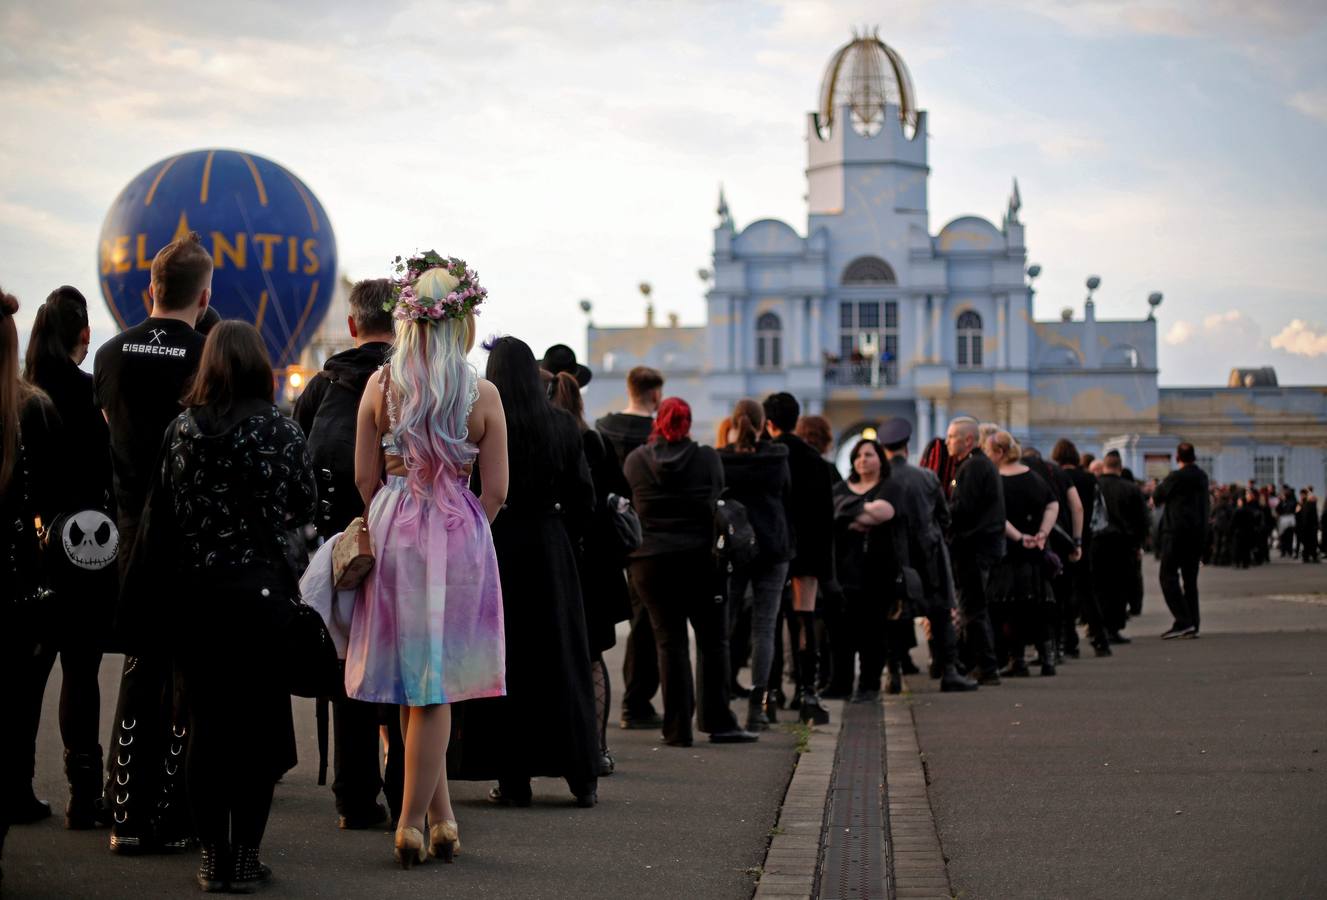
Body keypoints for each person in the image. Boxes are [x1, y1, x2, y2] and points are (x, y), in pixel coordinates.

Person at [125, 321, 316, 890]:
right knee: (258, 733)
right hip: (262, 599)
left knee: (205, 730)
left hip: (197, 600)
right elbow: (305, 508)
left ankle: (211, 857)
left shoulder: (181, 431)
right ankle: (244, 856)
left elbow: (163, 515)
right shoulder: (280, 430)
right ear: (260, 365)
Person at [343, 255, 508, 866]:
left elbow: (362, 475)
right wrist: (467, 532)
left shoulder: (380, 385)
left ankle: (441, 819)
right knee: (434, 683)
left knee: (416, 681)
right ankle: (412, 822)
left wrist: (388, 514)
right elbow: (497, 490)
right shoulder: (482, 393)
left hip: (394, 527)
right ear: (461, 322)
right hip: (458, 533)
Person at [94, 231, 211, 854]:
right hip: (189, 535)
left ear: (149, 290)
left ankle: (125, 814)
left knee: (138, 671)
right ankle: (171, 814)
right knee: (184, 678)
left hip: (132, 529)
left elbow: (113, 432)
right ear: (206, 293)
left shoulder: (111, 353)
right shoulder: (206, 355)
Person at [446, 336, 599, 809]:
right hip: (552, 551)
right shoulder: (562, 426)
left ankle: (513, 779)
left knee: (503, 661)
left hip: (499, 546)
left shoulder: (483, 424)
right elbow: (584, 501)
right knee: (561, 660)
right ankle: (580, 775)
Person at [292, 278, 401, 830]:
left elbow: (294, 459)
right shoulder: (410, 382)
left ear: (353, 326)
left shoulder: (322, 386)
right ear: (400, 324)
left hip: (338, 549)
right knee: (407, 665)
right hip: (405, 537)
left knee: (349, 667)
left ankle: (354, 796)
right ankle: (410, 785)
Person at [16, 286, 115, 830]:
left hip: (26, 551)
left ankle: (16, 784)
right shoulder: (86, 396)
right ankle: (84, 793)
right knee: (82, 670)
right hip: (84, 549)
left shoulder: (21, 394)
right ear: (83, 334)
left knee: (28, 673)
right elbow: (105, 472)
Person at [625, 397, 756, 746]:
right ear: (688, 422)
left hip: (650, 562)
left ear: (658, 422)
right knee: (713, 643)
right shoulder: (707, 458)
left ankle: (677, 729)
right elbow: (716, 497)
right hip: (701, 560)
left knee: (669, 644)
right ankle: (718, 721)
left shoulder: (637, 460)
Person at [1, 287, 65, 860]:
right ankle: (13, 788)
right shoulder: (32, 409)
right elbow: (48, 497)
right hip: (17, 573)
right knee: (19, 694)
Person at [550, 370, 631, 776]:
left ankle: (560, 747)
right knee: (594, 659)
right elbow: (617, 495)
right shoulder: (593, 438)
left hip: (559, 558)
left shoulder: (544, 435)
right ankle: (597, 749)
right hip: (597, 564)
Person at [878, 418, 977, 692]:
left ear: (884, 449)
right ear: (906, 447)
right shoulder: (926, 476)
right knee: (940, 613)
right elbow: (944, 518)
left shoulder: (881, 478)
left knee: (895, 614)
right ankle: (949, 672)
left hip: (894, 557)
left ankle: (894, 673)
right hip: (929, 553)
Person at [595, 365, 664, 731]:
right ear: (655, 395)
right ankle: (637, 701)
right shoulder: (656, 433)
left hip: (608, 530)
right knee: (644, 619)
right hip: (646, 533)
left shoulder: (604, 426)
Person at [717, 399, 793, 730]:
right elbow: (787, 496)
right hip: (773, 547)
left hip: (734, 549)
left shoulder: (722, 459)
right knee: (764, 627)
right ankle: (758, 703)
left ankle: (717, 697)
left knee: (724, 624)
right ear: (764, 424)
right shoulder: (777, 457)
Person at [764, 392, 833, 724]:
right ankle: (807, 693)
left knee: (771, 621)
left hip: (773, 550)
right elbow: (824, 517)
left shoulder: (767, 455)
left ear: (769, 422)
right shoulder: (815, 461)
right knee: (804, 618)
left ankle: (770, 693)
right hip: (807, 550)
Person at [985, 431, 1059, 677]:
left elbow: (997, 516)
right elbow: (1053, 503)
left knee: (1010, 609)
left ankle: (1017, 660)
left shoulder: (995, 480)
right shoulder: (1035, 478)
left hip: (1009, 553)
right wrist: (1042, 533)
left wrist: (1019, 536)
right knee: (1038, 607)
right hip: (1036, 553)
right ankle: (1048, 658)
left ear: (999, 452)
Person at [831, 439, 899, 699]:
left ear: (880, 459)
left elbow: (885, 512)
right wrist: (866, 512)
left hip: (878, 571)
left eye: (869, 455)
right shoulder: (839, 487)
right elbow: (834, 513)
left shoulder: (890, 487)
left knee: (874, 631)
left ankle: (870, 684)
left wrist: (849, 511)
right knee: (842, 633)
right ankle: (841, 683)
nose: (862, 460)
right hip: (844, 572)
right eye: (858, 455)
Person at [945, 416, 1004, 684]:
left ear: (968, 440)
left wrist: (942, 516)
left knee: (972, 609)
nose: (947, 442)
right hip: (981, 547)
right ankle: (978, 663)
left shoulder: (971, 468)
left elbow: (962, 510)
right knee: (975, 608)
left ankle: (986, 667)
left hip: (972, 548)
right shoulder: (978, 465)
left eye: (952, 437)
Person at [1051, 439, 1111, 657]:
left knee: (1062, 594)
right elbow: (1099, 513)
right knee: (1087, 592)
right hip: (1085, 541)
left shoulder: (1055, 477)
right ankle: (1100, 639)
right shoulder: (1089, 478)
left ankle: (1068, 643)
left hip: (1061, 540)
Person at [1152, 442, 1210, 639]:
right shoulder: (1202, 477)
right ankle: (1193, 622)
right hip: (1196, 534)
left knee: (1167, 576)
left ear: (1178, 458)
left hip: (1176, 533)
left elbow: (1158, 495)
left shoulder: (1176, 477)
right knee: (1190, 581)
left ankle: (1183, 620)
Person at [1092, 451, 1150, 637]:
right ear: (1120, 467)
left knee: (1099, 586)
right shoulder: (1130, 488)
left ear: (1104, 466)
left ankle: (1098, 627)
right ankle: (1114, 627)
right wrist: (1138, 543)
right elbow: (1142, 520)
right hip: (1123, 544)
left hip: (1097, 543)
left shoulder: (1095, 486)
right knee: (1119, 587)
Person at [1297, 488, 1320, 563]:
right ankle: (1307, 556)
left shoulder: (1309, 504)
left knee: (1311, 542)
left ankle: (1311, 556)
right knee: (1308, 543)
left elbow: (1313, 516)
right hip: (1306, 526)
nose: (1301, 496)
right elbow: (1299, 515)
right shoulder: (1302, 504)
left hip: (1310, 526)